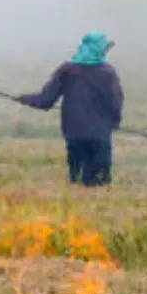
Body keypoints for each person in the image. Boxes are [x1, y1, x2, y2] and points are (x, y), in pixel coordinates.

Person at [16, 31, 123, 186]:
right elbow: (115, 102)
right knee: (100, 181)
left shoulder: (67, 70)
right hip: (100, 133)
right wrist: (114, 122)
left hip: (74, 132)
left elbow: (45, 100)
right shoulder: (108, 72)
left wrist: (24, 99)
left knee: (78, 179)